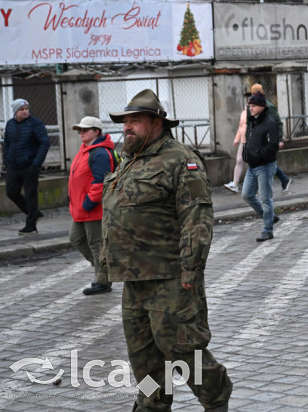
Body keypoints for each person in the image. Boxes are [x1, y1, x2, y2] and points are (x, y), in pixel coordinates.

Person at [100, 89, 231, 411]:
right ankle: (151, 404)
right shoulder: (128, 159)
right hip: (134, 279)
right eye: (125, 121)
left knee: (183, 350)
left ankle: (216, 398)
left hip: (171, 277)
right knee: (142, 358)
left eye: (135, 121)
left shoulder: (180, 160)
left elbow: (197, 218)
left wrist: (190, 271)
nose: (127, 127)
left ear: (156, 122)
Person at [67, 116, 117, 295]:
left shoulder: (100, 153)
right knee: (76, 238)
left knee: (97, 245)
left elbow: (100, 182)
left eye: (85, 130)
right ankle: (103, 269)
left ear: (96, 132)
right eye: (79, 130)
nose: (81, 133)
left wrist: (88, 203)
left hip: (93, 208)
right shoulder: (87, 150)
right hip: (82, 207)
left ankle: (103, 280)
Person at [3, 98, 50, 235]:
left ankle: (31, 226)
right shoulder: (10, 124)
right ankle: (34, 214)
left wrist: (36, 163)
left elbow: (44, 143)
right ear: (15, 111)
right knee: (11, 192)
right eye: (22, 109)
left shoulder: (35, 124)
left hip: (30, 166)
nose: (25, 112)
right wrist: (7, 160)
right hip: (13, 166)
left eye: (26, 109)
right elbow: (7, 143)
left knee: (31, 195)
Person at [243, 92, 280, 241]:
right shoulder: (253, 121)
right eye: (249, 106)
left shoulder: (270, 122)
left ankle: (267, 229)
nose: (250, 108)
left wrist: (259, 155)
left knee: (266, 199)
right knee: (247, 195)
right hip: (252, 166)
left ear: (261, 107)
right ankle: (270, 216)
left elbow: (273, 145)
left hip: (264, 165)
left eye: (253, 106)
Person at [249, 83, 291, 192]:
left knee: (268, 162)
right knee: (265, 161)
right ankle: (283, 179)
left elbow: (277, 123)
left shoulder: (268, 106)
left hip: (268, 139)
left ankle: (282, 179)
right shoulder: (253, 106)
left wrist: (280, 139)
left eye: (256, 93)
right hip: (259, 139)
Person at [223, 92, 250, 194]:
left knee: (253, 164)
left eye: (249, 98)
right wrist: (236, 139)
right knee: (239, 161)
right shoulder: (243, 112)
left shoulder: (255, 112)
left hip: (251, 142)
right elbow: (240, 127)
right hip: (243, 141)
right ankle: (235, 184)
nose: (247, 100)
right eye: (246, 98)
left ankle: (254, 186)